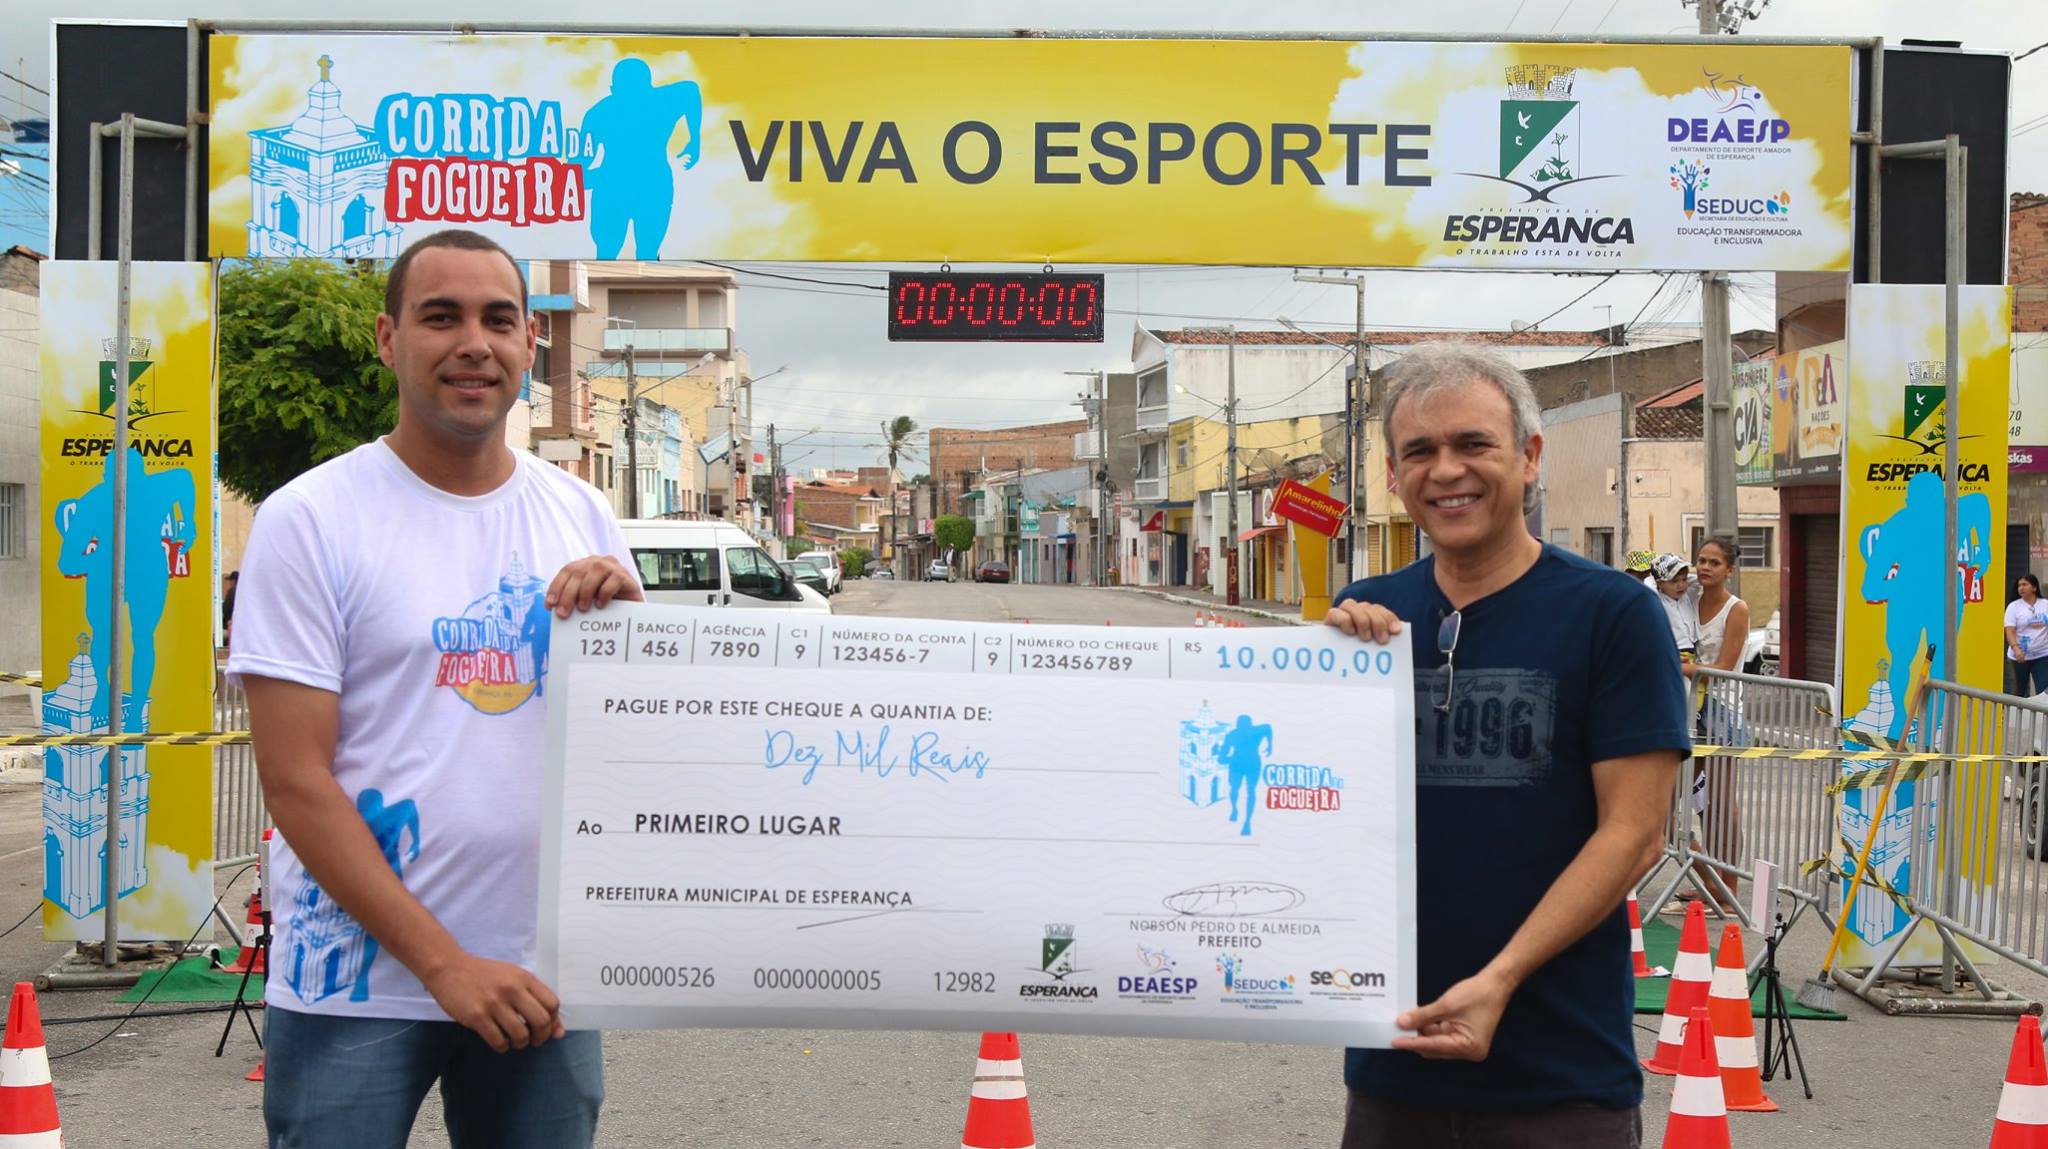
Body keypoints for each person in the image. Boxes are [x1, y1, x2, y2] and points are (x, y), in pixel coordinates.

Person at [228, 229, 642, 1149]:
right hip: (355, 985)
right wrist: (445, 965)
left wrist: (632, 640)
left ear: (530, 340)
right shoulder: (311, 519)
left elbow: (621, 749)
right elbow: (295, 782)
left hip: (539, 975)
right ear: (388, 338)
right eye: (441, 317)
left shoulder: (580, 511)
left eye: (498, 319)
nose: (474, 344)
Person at [1321, 343, 1688, 1148]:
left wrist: (1499, 979)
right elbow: (1312, 806)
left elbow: (1634, 833)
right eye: (1420, 450)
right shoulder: (1365, 621)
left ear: (1529, 455)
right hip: (1392, 1066)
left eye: (1473, 443)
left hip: (1560, 1081)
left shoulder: (1614, 614)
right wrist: (1314, 674)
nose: (1446, 470)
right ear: (1394, 475)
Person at [1688, 535, 1751, 915]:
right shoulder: (1687, 601)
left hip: (1722, 712)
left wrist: (1684, 668)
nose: (1705, 567)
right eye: (1701, 560)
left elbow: (1724, 667)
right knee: (1684, 804)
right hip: (1686, 710)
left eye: (1714, 562)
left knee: (1721, 804)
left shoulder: (1736, 609)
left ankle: (1729, 888)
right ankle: (1707, 878)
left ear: (1730, 569)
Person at [1648, 553, 1698, 671]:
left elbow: (1699, 582)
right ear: (1660, 583)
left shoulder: (1687, 596)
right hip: (1673, 652)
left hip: (1692, 653)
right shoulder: (1658, 600)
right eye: (1674, 581)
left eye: (1684, 579)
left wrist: (1683, 575)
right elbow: (1648, 585)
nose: (1681, 585)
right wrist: (1655, 578)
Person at [2006, 574, 2048, 697]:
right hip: (2019, 657)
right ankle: (2014, 710)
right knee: (2018, 691)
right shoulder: (2014, 607)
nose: (2021, 588)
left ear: (2034, 587)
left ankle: (2042, 711)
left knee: (2043, 692)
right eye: (2019, 585)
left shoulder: (2045, 604)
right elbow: (2010, 630)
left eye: (2025, 584)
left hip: (2042, 655)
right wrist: (2016, 648)